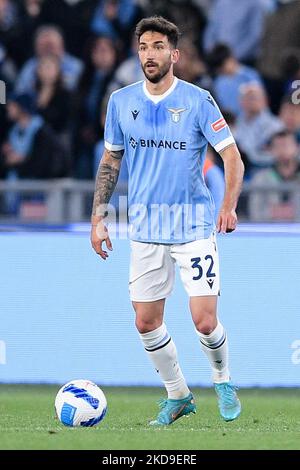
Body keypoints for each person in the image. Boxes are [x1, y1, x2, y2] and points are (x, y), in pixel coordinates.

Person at [91, 16, 244, 426]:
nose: (149, 54)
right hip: (145, 228)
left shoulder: (198, 100)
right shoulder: (121, 102)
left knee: (204, 321)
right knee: (145, 321)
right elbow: (111, 160)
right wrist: (98, 218)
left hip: (193, 225)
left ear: (174, 54)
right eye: (143, 47)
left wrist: (227, 205)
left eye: (158, 46)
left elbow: (232, 156)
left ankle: (222, 378)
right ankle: (178, 395)